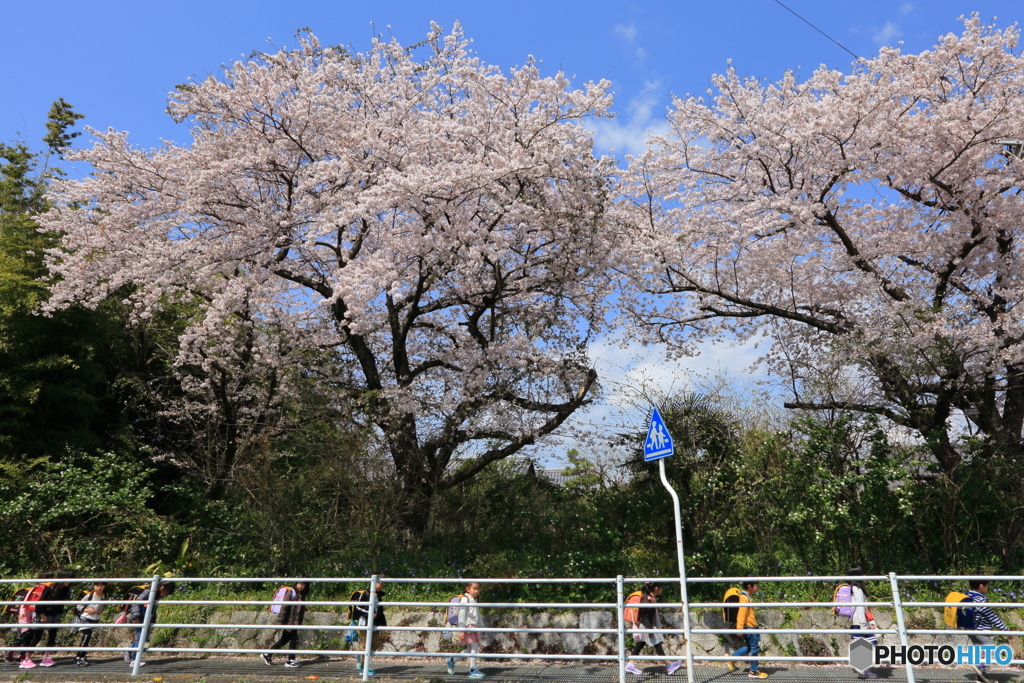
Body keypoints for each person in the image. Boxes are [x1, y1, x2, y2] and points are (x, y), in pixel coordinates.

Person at [623, 582, 683, 677]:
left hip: (645, 626)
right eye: (661, 587)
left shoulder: (647, 598)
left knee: (641, 643)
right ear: (656, 588)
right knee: (657, 644)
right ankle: (669, 665)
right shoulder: (649, 600)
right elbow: (647, 618)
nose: (662, 589)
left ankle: (630, 664)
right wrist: (650, 631)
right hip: (649, 627)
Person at [964, 580, 1008, 682]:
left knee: (981, 652)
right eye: (987, 585)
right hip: (980, 630)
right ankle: (978, 665)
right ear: (981, 586)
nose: (988, 588)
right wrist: (1005, 630)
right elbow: (992, 616)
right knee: (991, 650)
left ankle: (980, 677)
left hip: (970, 629)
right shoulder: (981, 599)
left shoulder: (967, 596)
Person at [126, 581, 176, 667]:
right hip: (140, 618)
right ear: (162, 588)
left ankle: (130, 649)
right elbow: (136, 602)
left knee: (143, 637)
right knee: (141, 637)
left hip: (146, 619)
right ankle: (134, 660)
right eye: (166, 593)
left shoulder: (155, 593)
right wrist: (136, 617)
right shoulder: (149, 591)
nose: (165, 595)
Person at [261, 580, 308, 668]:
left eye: (303, 584)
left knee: (284, 640)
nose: (300, 586)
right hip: (289, 622)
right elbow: (284, 608)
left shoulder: (301, 595)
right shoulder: (291, 593)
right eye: (299, 584)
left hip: (295, 622)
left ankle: (267, 654)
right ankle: (290, 660)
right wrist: (280, 622)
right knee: (294, 639)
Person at [10, 572, 52, 668]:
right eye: (49, 578)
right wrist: (22, 614)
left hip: (29, 616)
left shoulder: (41, 589)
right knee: (27, 635)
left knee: (29, 636)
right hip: (26, 616)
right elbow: (26, 603)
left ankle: (21, 655)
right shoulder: (36, 590)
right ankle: (10, 649)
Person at [446, 582, 486, 679]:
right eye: (474, 588)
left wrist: (482, 626)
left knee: (469, 650)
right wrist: (462, 630)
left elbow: (478, 615)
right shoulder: (465, 599)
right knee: (474, 646)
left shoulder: (474, 600)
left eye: (478, 589)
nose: (476, 591)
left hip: (473, 627)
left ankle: (452, 660)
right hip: (468, 627)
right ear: (468, 589)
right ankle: (473, 669)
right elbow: (461, 615)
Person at [846, 567, 878, 680]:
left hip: (858, 620)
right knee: (869, 643)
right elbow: (860, 607)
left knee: (862, 644)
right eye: (863, 574)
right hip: (860, 621)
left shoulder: (855, 588)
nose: (865, 576)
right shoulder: (857, 589)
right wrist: (864, 625)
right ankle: (861, 668)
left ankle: (863, 669)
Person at [732, 581, 767, 679]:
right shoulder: (744, 598)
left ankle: (731, 658)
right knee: (754, 648)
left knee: (749, 647)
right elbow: (741, 614)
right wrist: (739, 628)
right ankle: (754, 671)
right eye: (756, 585)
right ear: (749, 586)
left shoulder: (747, 597)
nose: (758, 587)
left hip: (751, 626)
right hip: (749, 627)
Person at [355, 578, 387, 676]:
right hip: (364, 623)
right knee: (365, 643)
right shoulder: (365, 593)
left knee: (376, 642)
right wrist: (370, 613)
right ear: (375, 583)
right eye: (381, 584)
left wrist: (382, 623)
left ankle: (361, 656)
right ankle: (363, 667)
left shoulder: (379, 595)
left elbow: (380, 610)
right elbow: (357, 607)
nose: (382, 586)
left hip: (375, 623)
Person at [74, 581, 108, 666]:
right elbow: (78, 606)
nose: (99, 587)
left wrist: (101, 610)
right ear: (93, 586)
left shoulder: (105, 595)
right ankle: (82, 657)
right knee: (87, 635)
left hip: (95, 618)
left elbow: (103, 605)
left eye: (102, 585)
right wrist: (87, 610)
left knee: (86, 637)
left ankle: (78, 656)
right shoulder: (89, 595)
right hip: (85, 618)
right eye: (97, 585)